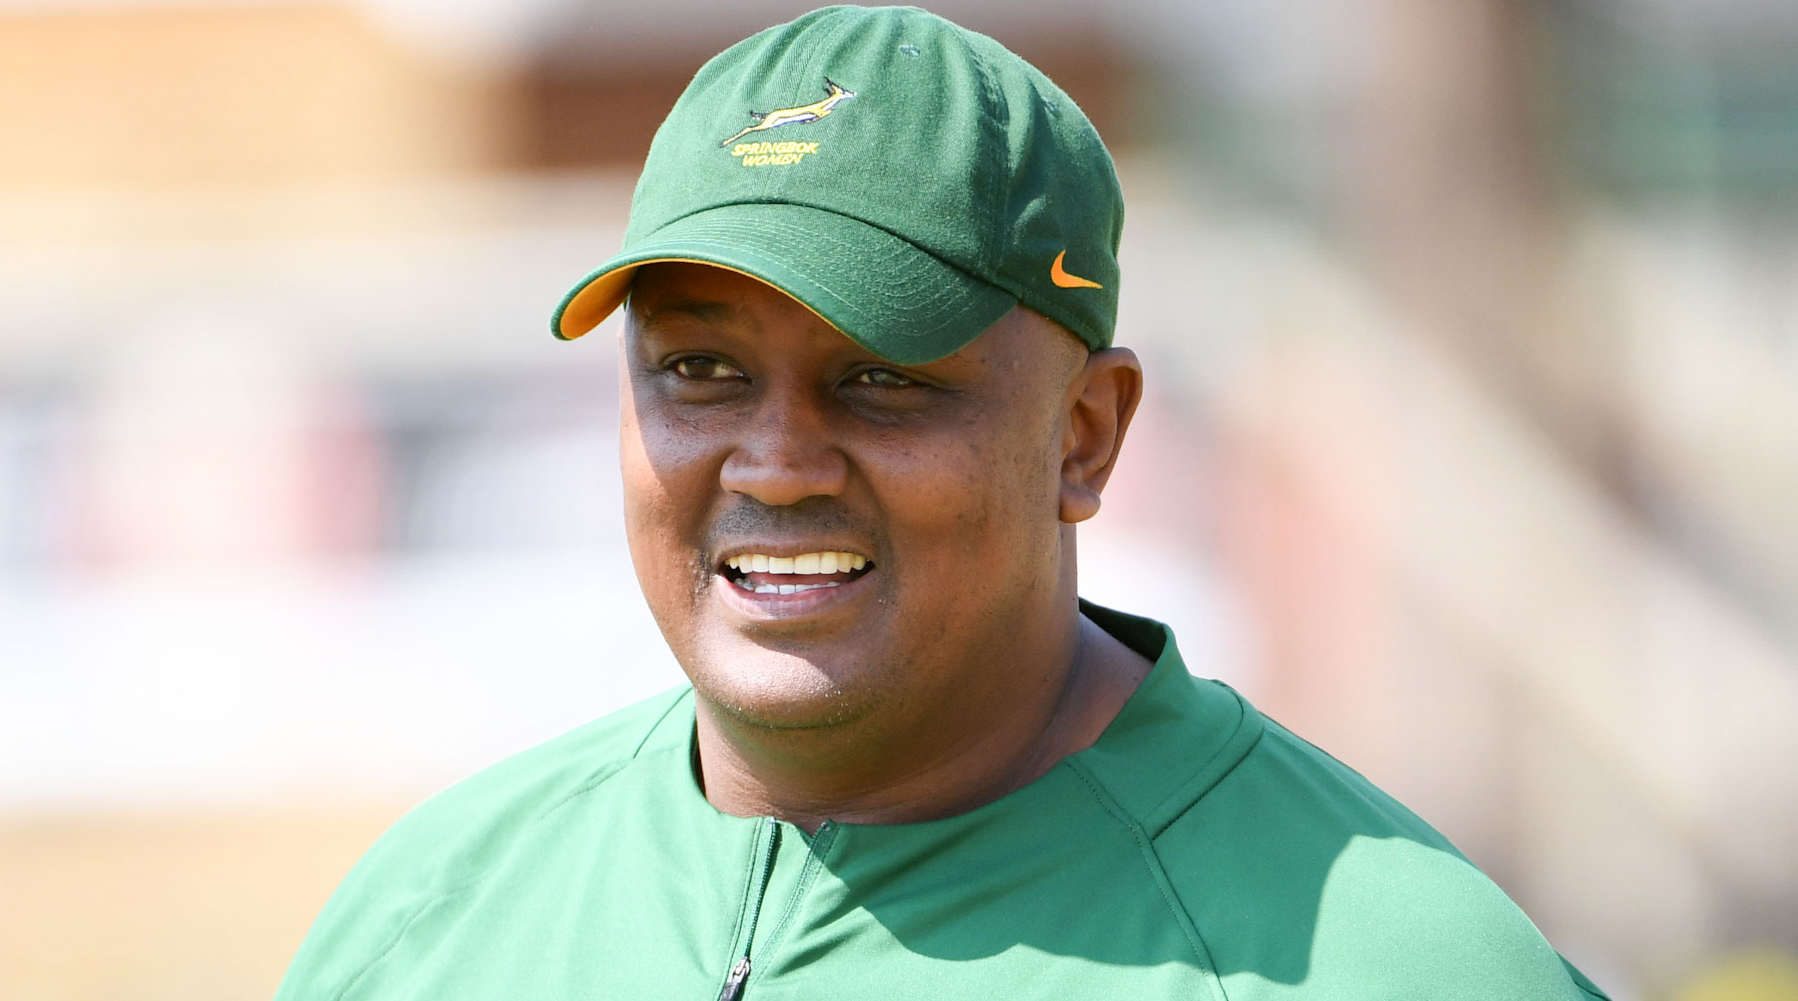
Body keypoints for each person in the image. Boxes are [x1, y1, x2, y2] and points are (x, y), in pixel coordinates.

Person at [275, 7, 1612, 999]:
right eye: (700, 371)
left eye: (882, 378)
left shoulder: (1379, 964)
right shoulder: (433, 916)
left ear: (1086, 435)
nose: (775, 463)